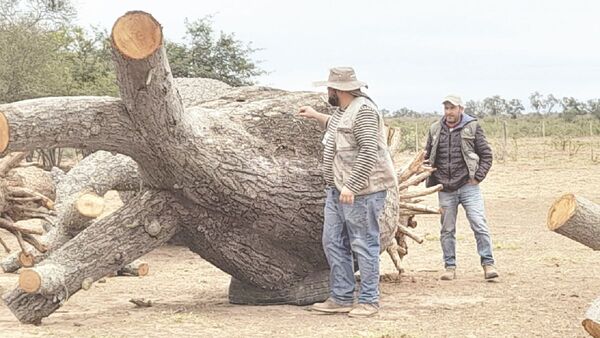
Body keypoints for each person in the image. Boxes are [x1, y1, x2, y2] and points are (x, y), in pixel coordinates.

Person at [297, 67, 396, 317]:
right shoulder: (344, 111)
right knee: (332, 241)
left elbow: (368, 151)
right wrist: (315, 115)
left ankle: (369, 301)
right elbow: (337, 126)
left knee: (363, 243)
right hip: (337, 190)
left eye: (329, 89)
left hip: (361, 192)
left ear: (338, 90)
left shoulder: (363, 111)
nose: (327, 92)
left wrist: (352, 185)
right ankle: (341, 297)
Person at [424, 94, 498, 281]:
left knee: (479, 224)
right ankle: (450, 267)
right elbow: (427, 156)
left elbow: (486, 155)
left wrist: (478, 177)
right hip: (445, 189)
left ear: (461, 109)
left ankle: (488, 264)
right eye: (446, 108)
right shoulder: (435, 129)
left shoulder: (472, 126)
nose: (449, 112)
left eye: (452, 108)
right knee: (447, 229)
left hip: (468, 186)